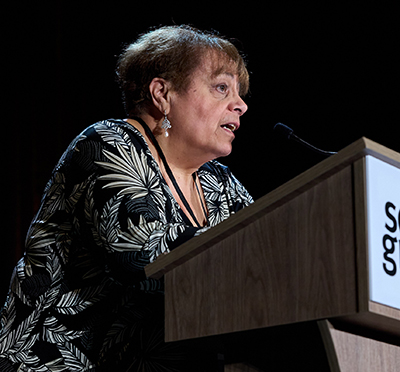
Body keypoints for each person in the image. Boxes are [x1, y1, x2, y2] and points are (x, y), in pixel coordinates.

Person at [0, 25, 253, 371]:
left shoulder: (217, 181)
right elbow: (139, 251)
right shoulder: (108, 143)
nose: (240, 105)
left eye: (238, 94)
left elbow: (263, 247)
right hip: (57, 361)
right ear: (162, 93)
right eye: (221, 88)